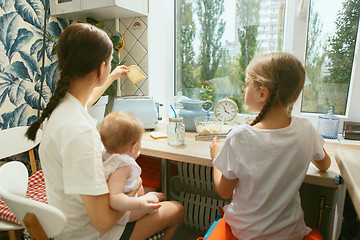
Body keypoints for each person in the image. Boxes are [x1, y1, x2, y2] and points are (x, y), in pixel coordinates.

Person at [26, 23, 184, 240]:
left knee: (145, 192)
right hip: (93, 235)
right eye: (110, 64)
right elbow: (103, 222)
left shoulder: (60, 110)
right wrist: (134, 187)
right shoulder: (81, 132)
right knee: (175, 208)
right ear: (100, 68)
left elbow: (88, 99)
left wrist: (112, 77)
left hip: (67, 225)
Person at [209, 52, 331, 240]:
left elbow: (224, 191)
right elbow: (324, 164)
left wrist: (216, 156)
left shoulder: (240, 137)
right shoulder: (306, 129)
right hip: (292, 233)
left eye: (247, 83)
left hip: (246, 233)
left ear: (262, 93)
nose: (244, 89)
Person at [98, 111, 166, 228]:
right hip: (125, 212)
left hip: (128, 200)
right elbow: (115, 199)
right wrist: (141, 203)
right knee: (155, 197)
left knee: (151, 190)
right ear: (134, 146)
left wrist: (130, 155)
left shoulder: (107, 153)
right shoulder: (122, 168)